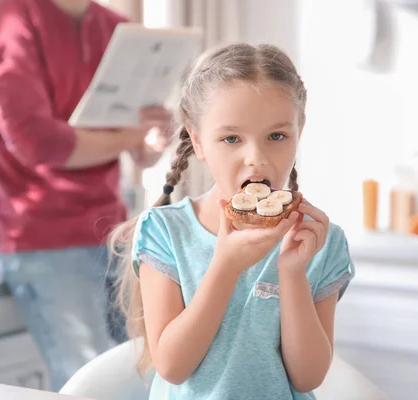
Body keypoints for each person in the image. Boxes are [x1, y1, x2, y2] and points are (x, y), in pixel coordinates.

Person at [109, 43, 355, 399]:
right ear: (198, 141)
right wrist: (225, 266)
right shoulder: (165, 232)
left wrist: (293, 274)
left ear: (299, 131)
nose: (255, 159)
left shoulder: (321, 240)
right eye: (231, 138)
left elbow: (308, 377)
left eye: (277, 136)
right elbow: (173, 367)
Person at [0, 0, 171, 392]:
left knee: (146, 375)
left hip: (113, 233)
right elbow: (37, 142)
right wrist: (132, 137)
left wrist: (151, 136)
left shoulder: (115, 28)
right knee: (94, 384)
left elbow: (141, 152)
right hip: (43, 239)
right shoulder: (6, 16)